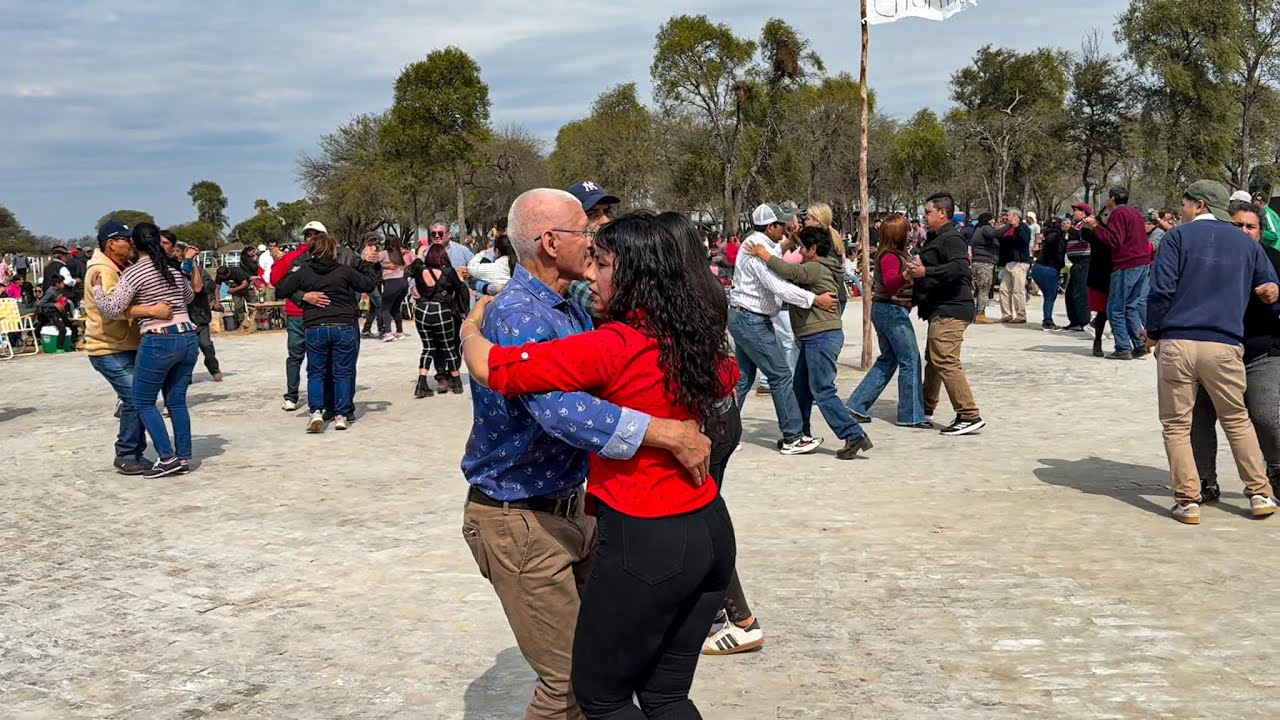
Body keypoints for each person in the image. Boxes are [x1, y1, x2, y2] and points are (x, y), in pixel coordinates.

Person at [460, 210, 736, 720]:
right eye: (586, 239)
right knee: (664, 696)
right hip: (707, 528)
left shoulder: (614, 343)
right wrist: (667, 431)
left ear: (635, 274)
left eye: (603, 261)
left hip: (646, 533)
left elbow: (497, 370)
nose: (592, 267)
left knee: (600, 697)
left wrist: (470, 330)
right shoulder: (693, 333)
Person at [1145, 180, 1279, 524]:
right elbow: (1269, 287)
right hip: (1224, 344)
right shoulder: (1246, 243)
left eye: (1184, 204)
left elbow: (1161, 290)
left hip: (1178, 341)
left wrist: (1154, 333)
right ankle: (1260, 493)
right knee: (1237, 419)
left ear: (1199, 205)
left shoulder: (1177, 237)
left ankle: (1188, 501)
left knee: (1177, 425)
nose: (1181, 210)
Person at [744, 226, 873, 459]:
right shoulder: (819, 265)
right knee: (801, 390)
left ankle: (853, 434)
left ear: (813, 249)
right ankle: (799, 434)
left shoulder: (816, 267)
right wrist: (793, 236)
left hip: (821, 336)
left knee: (822, 389)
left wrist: (764, 254)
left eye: (803, 248)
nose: (800, 252)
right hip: (813, 337)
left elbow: (789, 271)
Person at [90, 222, 201, 479]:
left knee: (142, 401)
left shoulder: (134, 273)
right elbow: (188, 297)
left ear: (134, 244)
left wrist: (97, 290)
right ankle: (184, 457)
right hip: (188, 336)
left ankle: (167, 458)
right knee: (176, 401)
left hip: (160, 339)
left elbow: (113, 308)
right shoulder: (171, 269)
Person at [730, 203, 838, 454]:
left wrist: (786, 244)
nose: (786, 228)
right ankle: (793, 436)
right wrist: (815, 299)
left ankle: (724, 432)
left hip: (745, 317)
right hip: (751, 320)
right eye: (782, 225)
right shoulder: (756, 251)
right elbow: (778, 286)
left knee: (742, 380)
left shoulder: (760, 244)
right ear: (771, 227)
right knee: (780, 375)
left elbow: (773, 253)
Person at [1192, 201, 1280, 504]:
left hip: (1261, 351)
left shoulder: (1274, 260)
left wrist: (1277, 295)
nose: (1243, 231)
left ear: (1261, 232)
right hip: (1213, 348)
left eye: (1250, 226)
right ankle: (1204, 479)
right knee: (1199, 415)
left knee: (1266, 414)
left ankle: (1276, 471)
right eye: (1237, 225)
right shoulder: (1209, 260)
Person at [85, 220, 170, 475]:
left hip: (124, 345)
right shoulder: (103, 270)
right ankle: (126, 453)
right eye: (125, 239)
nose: (131, 243)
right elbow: (112, 308)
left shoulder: (119, 267)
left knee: (139, 398)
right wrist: (153, 311)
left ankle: (134, 452)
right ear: (111, 244)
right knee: (135, 398)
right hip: (108, 347)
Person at [274, 232, 378, 433]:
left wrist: (302, 293)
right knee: (343, 372)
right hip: (343, 325)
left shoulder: (304, 272)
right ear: (332, 251)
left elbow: (281, 290)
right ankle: (341, 415)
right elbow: (368, 284)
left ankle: (316, 412)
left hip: (315, 326)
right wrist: (367, 264)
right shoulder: (344, 271)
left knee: (316, 373)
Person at [904, 193, 985, 436]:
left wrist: (926, 272)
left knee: (946, 360)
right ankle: (925, 406)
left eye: (928, 211)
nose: (924, 216)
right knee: (934, 359)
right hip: (940, 308)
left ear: (942, 213)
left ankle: (968, 414)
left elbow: (961, 268)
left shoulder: (952, 238)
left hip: (952, 308)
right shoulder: (936, 238)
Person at [847, 214, 929, 428]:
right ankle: (911, 415)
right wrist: (908, 274)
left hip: (885, 310)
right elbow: (892, 283)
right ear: (898, 233)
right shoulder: (890, 256)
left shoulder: (896, 254)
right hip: (891, 311)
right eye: (906, 230)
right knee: (910, 359)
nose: (910, 233)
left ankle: (856, 404)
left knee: (889, 359)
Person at [1085, 186, 1153, 360]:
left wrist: (1096, 227)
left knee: (1115, 309)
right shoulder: (1135, 213)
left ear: (1113, 199)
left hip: (1126, 264)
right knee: (1130, 307)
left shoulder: (1118, 213)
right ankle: (1139, 344)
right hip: (1142, 263)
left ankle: (1123, 347)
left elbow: (1115, 240)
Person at [161, 231, 222, 382]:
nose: (175, 254)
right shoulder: (171, 271)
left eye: (178, 251)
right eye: (173, 251)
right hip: (182, 318)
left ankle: (214, 368)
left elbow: (210, 285)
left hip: (199, 315)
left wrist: (197, 286)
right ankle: (185, 376)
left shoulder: (198, 270)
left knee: (206, 345)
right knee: (186, 350)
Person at [410, 244, 469, 397]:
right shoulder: (448, 272)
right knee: (449, 346)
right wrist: (463, 310)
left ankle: (421, 384)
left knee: (427, 348)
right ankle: (457, 382)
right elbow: (460, 289)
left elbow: (409, 270)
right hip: (441, 311)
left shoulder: (419, 271)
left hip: (422, 311)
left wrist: (419, 253)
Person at [1031, 217, 1070, 331]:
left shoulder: (1046, 235)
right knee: (1050, 296)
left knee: (1047, 296)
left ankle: (1047, 320)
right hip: (1049, 269)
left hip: (1037, 267)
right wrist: (1061, 265)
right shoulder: (1059, 238)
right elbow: (1059, 255)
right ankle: (1047, 321)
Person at [996, 208, 1031, 323]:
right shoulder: (1008, 229)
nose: (1007, 217)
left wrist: (1016, 227)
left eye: (1009, 215)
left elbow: (1024, 241)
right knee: (1004, 289)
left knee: (1018, 290)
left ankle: (1020, 315)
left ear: (1016, 216)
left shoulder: (1023, 228)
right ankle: (1006, 314)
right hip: (1008, 262)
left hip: (1019, 262)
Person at [377, 236, 414, 342]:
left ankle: (388, 333)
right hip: (403, 283)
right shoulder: (399, 254)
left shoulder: (383, 253)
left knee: (385, 308)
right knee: (396, 308)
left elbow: (373, 262)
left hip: (391, 282)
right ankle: (400, 331)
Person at [1063, 203, 1093, 332]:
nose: (1073, 213)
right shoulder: (1076, 225)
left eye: (1076, 210)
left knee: (1080, 293)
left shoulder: (1086, 224)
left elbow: (1083, 236)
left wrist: (1069, 229)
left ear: (1083, 213)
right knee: (1070, 293)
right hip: (1075, 263)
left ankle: (1084, 322)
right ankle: (1074, 321)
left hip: (1084, 261)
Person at [967, 212, 1000, 323]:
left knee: (979, 289)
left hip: (977, 262)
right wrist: (1008, 227)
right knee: (984, 290)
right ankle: (980, 314)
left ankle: (975, 314)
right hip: (985, 263)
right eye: (992, 219)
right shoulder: (986, 229)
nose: (994, 221)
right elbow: (995, 234)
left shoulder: (977, 229)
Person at [35, 275, 77, 351]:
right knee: (62, 329)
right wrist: (54, 305)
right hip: (52, 313)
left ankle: (69, 343)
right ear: (57, 284)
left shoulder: (60, 290)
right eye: (62, 282)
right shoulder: (50, 292)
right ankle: (59, 347)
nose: (63, 284)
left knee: (70, 325)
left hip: (60, 311)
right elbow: (40, 303)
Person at [358, 233, 385, 338]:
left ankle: (366, 329)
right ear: (366, 241)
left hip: (377, 280)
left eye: (375, 240)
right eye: (371, 240)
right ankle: (382, 328)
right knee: (380, 304)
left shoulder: (378, 249)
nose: (373, 242)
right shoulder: (365, 251)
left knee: (374, 307)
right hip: (370, 281)